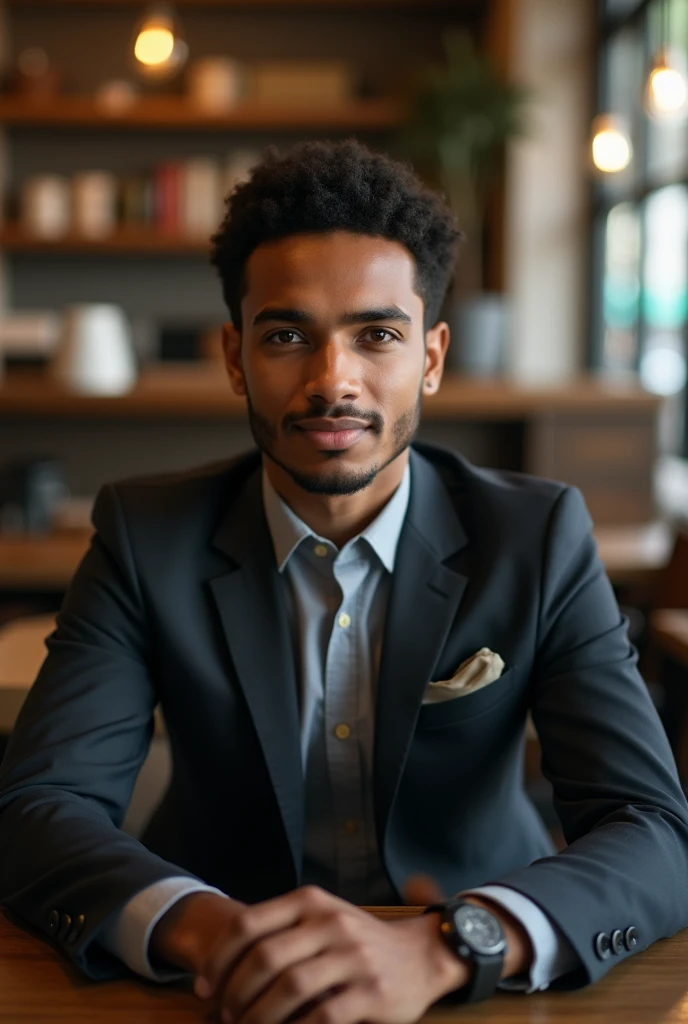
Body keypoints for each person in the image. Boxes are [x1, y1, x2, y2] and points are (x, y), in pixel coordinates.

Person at [1, 139, 687, 1023]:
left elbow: (654, 829)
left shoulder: (537, 537)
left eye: (377, 336)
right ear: (235, 356)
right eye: (287, 336)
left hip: (476, 980)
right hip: (215, 979)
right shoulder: (146, 536)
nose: (334, 381)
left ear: (431, 357)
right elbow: (39, 807)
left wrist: (451, 944)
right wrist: (217, 934)